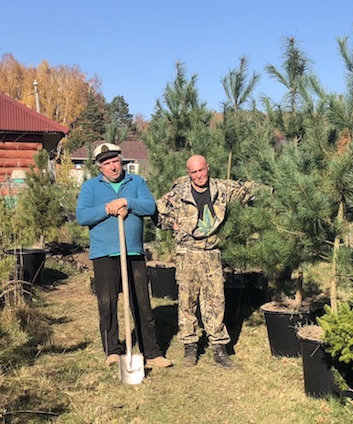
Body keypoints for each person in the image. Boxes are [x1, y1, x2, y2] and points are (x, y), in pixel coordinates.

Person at [76, 142, 172, 370]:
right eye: (106, 163)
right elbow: (82, 216)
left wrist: (127, 202)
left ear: (122, 162)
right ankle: (112, 350)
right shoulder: (91, 188)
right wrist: (107, 208)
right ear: (100, 167)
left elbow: (150, 207)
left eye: (115, 161)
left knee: (142, 303)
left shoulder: (136, 182)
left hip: (133, 252)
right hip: (104, 254)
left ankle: (152, 352)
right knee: (107, 303)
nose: (112, 167)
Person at [156, 154, 256, 368]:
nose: (198, 175)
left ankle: (219, 348)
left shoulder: (221, 189)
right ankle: (190, 346)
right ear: (188, 173)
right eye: (193, 172)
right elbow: (157, 214)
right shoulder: (178, 193)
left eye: (201, 170)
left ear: (207, 168)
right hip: (187, 253)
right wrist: (172, 224)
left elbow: (248, 190)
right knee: (187, 300)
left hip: (211, 252)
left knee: (216, 300)